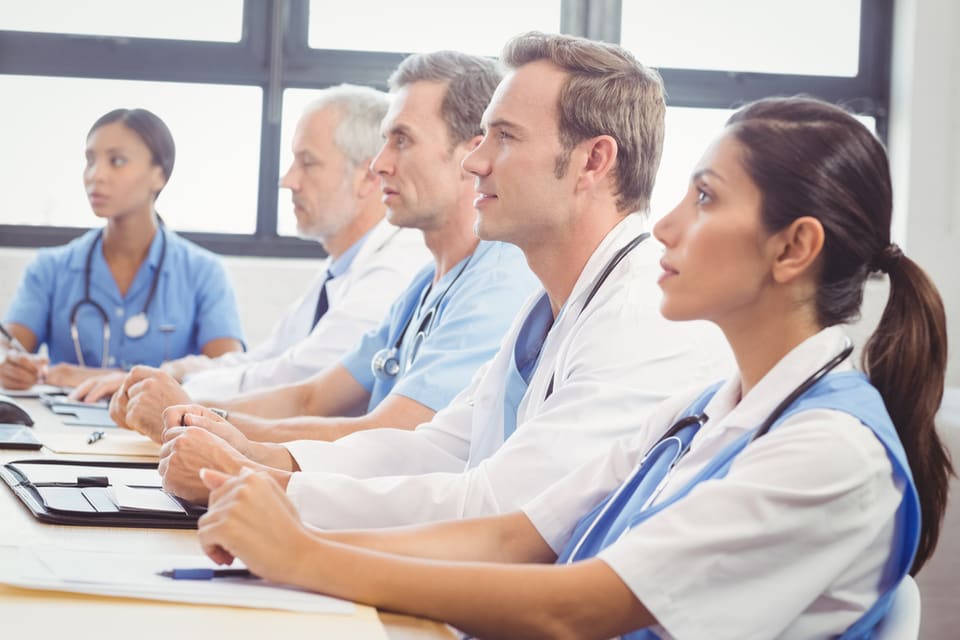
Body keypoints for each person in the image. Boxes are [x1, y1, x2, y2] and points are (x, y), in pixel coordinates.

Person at [194, 94, 953, 639]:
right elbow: (512, 538)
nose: (666, 225)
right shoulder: (700, 411)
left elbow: (577, 608)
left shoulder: (830, 456)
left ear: (794, 249)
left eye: (706, 197)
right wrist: (289, 534)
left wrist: (305, 552)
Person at [158, 31, 732, 524]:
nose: (474, 162)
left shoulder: (642, 320)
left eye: (504, 137)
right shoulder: (549, 308)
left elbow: (496, 509)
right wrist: (259, 457)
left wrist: (262, 485)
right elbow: (437, 449)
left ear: (593, 162)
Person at [107, 51, 540, 446]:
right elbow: (311, 398)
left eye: (402, 140)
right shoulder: (425, 284)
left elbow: (388, 435)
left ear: (472, 151)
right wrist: (188, 411)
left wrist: (186, 417)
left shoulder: (497, 282)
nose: (379, 163)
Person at [69, 85, 430, 403]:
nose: (288, 181)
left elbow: (297, 377)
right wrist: (170, 374)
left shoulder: (392, 271)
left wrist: (178, 391)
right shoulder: (340, 269)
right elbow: (265, 358)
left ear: (367, 177)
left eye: (307, 163)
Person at [0, 108, 244, 391]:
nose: (96, 175)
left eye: (116, 161)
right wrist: (9, 365)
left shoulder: (204, 273)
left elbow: (228, 373)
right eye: (90, 161)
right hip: (60, 429)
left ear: (160, 175)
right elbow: (9, 348)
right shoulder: (49, 268)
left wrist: (100, 378)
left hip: (160, 432)